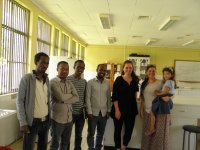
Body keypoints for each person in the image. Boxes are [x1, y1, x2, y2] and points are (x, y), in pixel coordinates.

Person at [16, 52, 50, 150]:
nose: (45, 65)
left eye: (47, 63)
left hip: (45, 121)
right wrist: (23, 122)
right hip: (32, 122)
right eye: (42, 62)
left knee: (43, 147)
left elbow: (47, 100)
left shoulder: (46, 79)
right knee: (28, 147)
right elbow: (20, 101)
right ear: (36, 62)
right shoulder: (27, 79)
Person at [140, 65, 171, 150]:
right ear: (146, 72)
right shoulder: (144, 84)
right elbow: (142, 98)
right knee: (147, 136)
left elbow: (169, 93)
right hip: (147, 113)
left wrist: (168, 97)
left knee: (158, 137)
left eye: (153, 71)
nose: (151, 72)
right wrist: (141, 110)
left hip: (158, 113)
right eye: (149, 71)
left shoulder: (161, 82)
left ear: (155, 72)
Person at [50, 61, 79, 150]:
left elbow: (77, 97)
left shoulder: (69, 83)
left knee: (65, 143)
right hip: (57, 119)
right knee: (55, 144)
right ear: (57, 69)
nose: (65, 71)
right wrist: (70, 96)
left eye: (67, 69)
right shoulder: (53, 82)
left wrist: (63, 101)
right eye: (62, 69)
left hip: (69, 119)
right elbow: (60, 96)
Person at [111, 60, 139, 150]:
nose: (128, 69)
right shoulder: (119, 79)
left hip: (131, 109)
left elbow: (136, 94)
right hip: (119, 109)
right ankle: (118, 148)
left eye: (130, 67)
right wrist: (117, 110)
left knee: (129, 130)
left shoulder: (135, 80)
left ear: (132, 69)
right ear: (123, 69)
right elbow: (114, 96)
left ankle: (124, 147)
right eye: (126, 67)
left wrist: (139, 98)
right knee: (117, 130)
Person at [86, 63, 111, 150]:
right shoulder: (90, 82)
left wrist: (108, 110)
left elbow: (108, 98)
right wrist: (89, 112)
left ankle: (97, 148)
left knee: (100, 133)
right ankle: (90, 148)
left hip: (103, 114)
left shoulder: (107, 83)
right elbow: (87, 98)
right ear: (97, 70)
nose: (102, 72)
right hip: (93, 113)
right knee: (91, 133)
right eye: (101, 70)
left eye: (104, 70)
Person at [146, 67, 175, 136]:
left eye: (167, 74)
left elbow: (165, 92)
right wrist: (159, 92)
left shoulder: (167, 82)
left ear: (171, 75)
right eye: (164, 74)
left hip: (163, 98)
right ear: (146, 72)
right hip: (163, 98)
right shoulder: (169, 82)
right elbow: (166, 91)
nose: (165, 75)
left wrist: (157, 93)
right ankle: (167, 122)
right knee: (154, 111)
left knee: (152, 111)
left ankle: (152, 128)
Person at [67, 60, 87, 150]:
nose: (80, 69)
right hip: (69, 113)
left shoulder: (84, 82)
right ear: (74, 67)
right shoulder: (67, 79)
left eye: (82, 68)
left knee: (79, 135)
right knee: (66, 135)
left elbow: (85, 96)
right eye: (78, 67)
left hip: (80, 114)